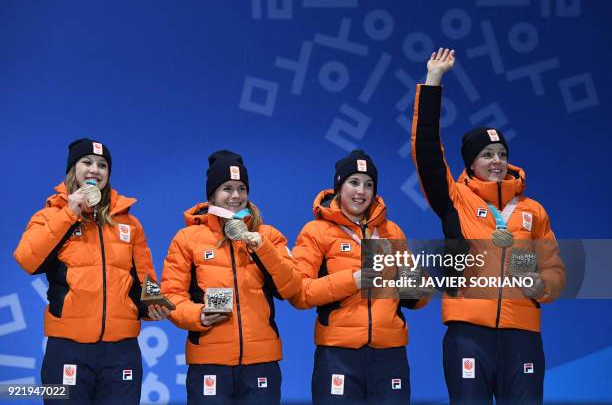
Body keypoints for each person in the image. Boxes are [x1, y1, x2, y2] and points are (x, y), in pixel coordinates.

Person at [411, 48, 566, 404]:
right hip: (468, 334)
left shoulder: (533, 211)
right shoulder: (457, 200)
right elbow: (427, 153)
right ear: (471, 163)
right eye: (487, 155)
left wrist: (542, 284)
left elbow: (555, 268)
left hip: (523, 335)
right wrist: (433, 82)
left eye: (501, 155)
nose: (496, 161)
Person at [13, 138, 170, 405]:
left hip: (121, 351)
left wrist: (153, 304)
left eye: (102, 165)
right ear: (72, 169)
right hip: (67, 348)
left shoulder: (129, 223)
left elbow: (145, 277)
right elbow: (27, 260)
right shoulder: (49, 215)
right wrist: (69, 212)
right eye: (86, 162)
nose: (94, 169)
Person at [161, 150, 302, 405]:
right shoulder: (187, 239)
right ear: (212, 194)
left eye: (242, 189)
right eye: (227, 188)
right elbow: (171, 297)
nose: (236, 196)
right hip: (209, 362)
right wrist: (199, 316)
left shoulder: (267, 235)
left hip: (261, 362)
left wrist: (262, 247)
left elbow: (292, 287)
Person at [289, 149, 427, 404]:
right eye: (353, 182)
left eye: (368, 184)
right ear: (339, 188)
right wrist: (352, 281)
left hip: (390, 354)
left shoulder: (391, 231)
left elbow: (416, 299)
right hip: (338, 354)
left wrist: (416, 280)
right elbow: (299, 293)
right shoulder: (316, 232)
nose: (361, 191)